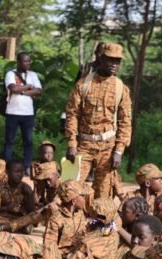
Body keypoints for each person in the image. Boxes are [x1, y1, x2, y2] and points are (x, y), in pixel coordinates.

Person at [64, 42, 132, 199]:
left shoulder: (121, 88)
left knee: (103, 193)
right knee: (71, 189)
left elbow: (125, 121)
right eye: (111, 60)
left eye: (118, 61)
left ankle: (98, 223)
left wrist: (119, 151)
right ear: (100, 59)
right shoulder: (83, 85)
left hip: (108, 148)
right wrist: (72, 143)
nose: (115, 64)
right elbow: (72, 114)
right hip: (84, 146)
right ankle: (72, 222)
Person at [2, 52, 43, 172]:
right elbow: (13, 88)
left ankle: (27, 166)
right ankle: (7, 167)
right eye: (25, 61)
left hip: (28, 114)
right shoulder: (10, 74)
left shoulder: (33, 75)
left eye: (29, 61)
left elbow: (39, 90)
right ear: (19, 62)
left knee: (28, 141)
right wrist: (29, 87)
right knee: (9, 141)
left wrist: (23, 92)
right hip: (12, 112)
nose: (28, 63)